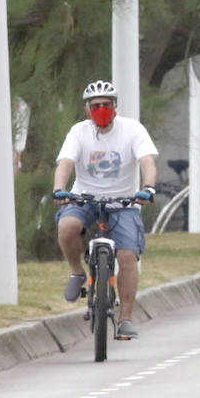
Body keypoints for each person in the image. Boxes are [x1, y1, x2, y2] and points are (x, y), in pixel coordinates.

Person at [52, 80, 158, 341]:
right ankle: (77, 272)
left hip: (123, 202)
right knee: (67, 227)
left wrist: (148, 188)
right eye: (96, 105)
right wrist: (59, 189)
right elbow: (65, 162)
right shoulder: (79, 132)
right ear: (88, 110)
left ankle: (125, 319)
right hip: (84, 198)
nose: (101, 109)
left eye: (106, 105)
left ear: (115, 107)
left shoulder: (132, 130)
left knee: (127, 256)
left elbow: (147, 162)